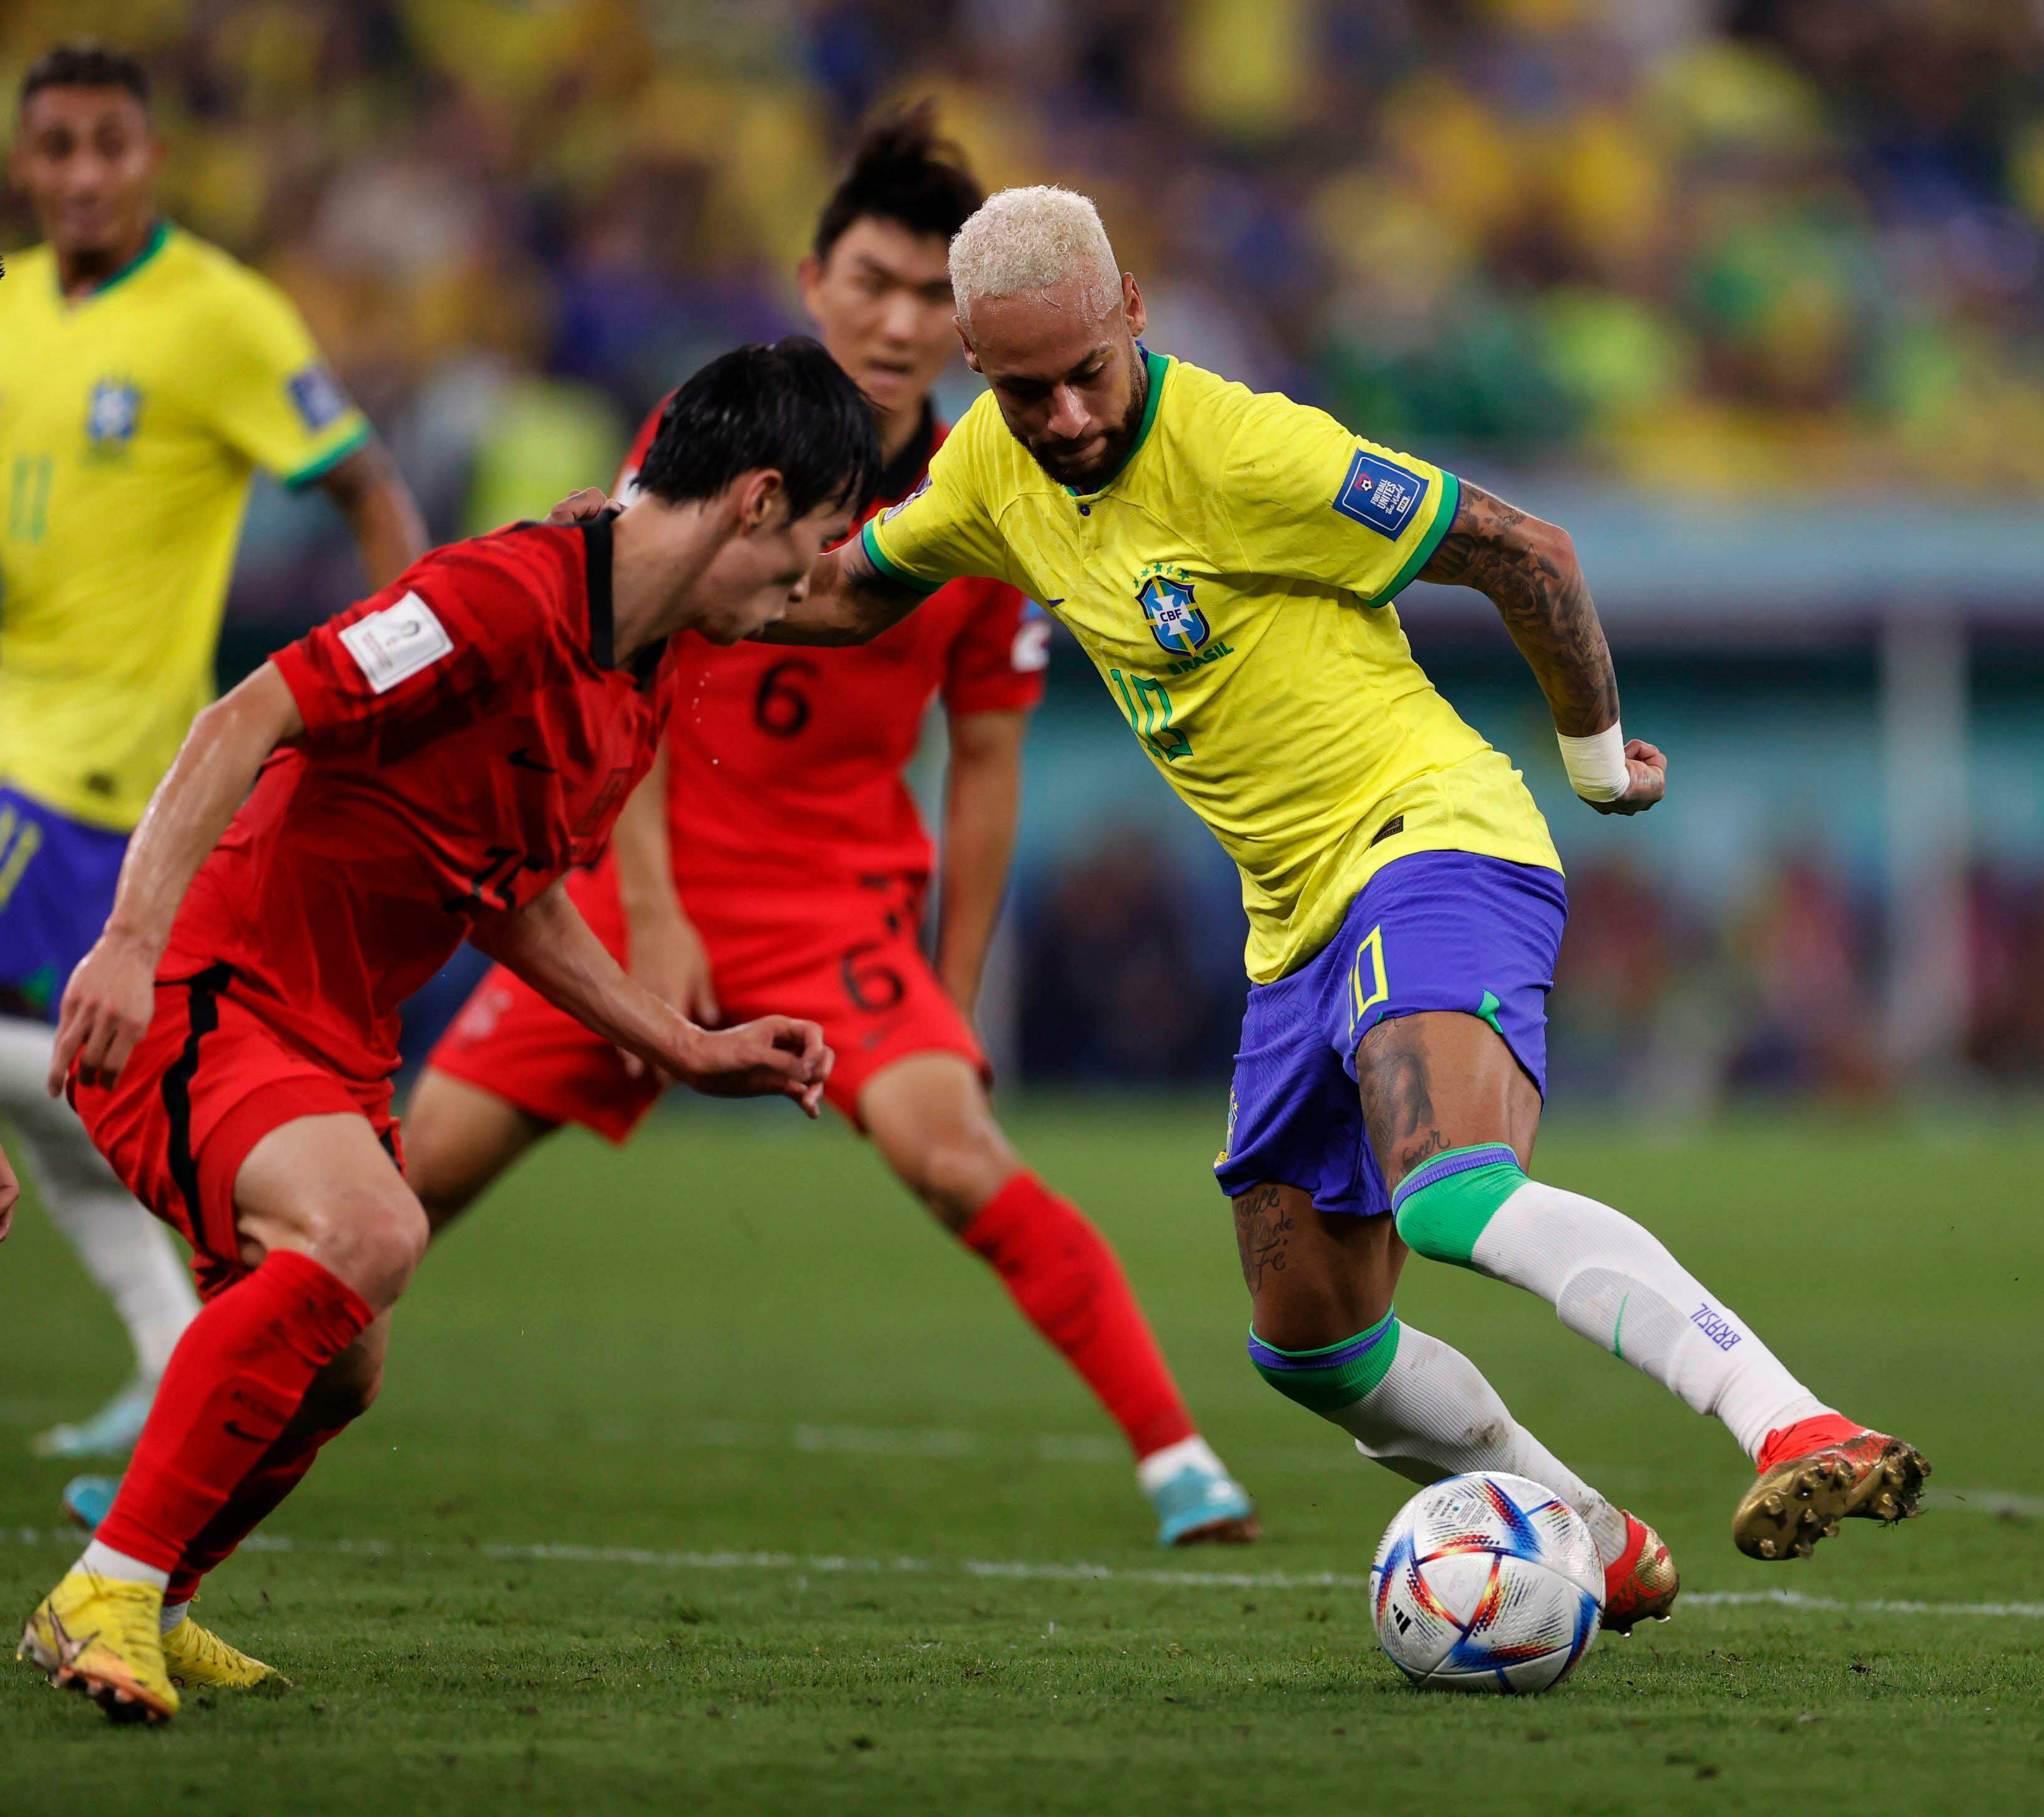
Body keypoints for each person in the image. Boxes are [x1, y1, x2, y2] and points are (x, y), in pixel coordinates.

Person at [659, 185, 1933, 1637]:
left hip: (1430, 839)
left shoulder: (1248, 449)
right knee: (1314, 1345)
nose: (1067, 415)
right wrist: (667, 571)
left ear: (1133, 308)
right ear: (973, 369)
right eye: (1024, 391)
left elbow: (1528, 551)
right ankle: (1592, 1535)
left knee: (1449, 1190)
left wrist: (1593, 765)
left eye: (1088, 372)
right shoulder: (985, 478)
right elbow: (846, 594)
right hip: (1293, 927)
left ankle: (1791, 1423)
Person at [398, 108, 1255, 1547]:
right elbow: (629, 667)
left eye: (935, 296)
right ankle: (183, 1411)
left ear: (973, 328)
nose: (901, 318)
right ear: (814, 282)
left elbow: (987, 760)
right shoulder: (710, 433)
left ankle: (1179, 1460)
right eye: (875, 280)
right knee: (396, 1189)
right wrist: (657, 920)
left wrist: (959, 994)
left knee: (956, 1155)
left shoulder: (997, 484)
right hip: (632, 880)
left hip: (831, 912)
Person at [15, 340, 864, 1725]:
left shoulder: (636, 672)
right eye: (814, 544)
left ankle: (151, 1599)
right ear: (757, 499)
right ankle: (105, 1583)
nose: (808, 584)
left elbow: (508, 890)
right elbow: (249, 713)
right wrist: (126, 937)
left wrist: (682, 1040)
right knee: (373, 1235)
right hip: (204, 986)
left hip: (329, 1036)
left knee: (345, 1361)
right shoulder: (497, 598)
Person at [0, 42, 429, 1462]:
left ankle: (222, 1322)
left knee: (77, 1065)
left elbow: (367, 483)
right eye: (54, 147)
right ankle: (183, 1346)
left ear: (151, 158)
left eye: (107, 146)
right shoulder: (8, 314)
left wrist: (409, 677)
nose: (80, 175)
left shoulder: (219, 316)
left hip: (101, 771)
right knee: (78, 1080)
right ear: (24, 161)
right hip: (10, 740)